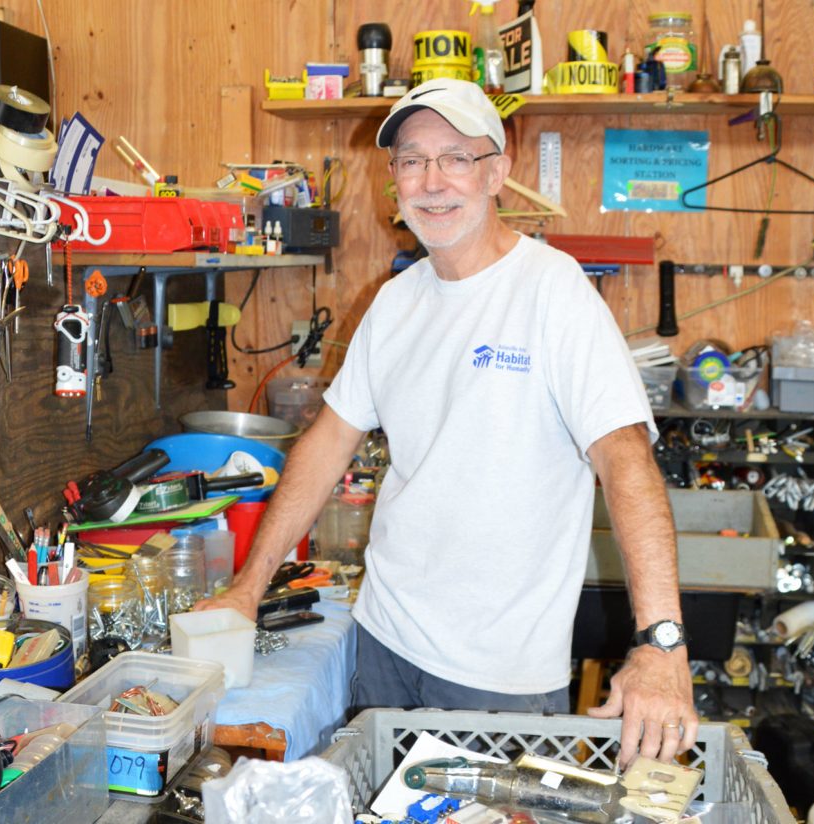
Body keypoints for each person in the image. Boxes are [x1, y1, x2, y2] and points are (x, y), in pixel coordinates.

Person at [199, 78, 697, 766]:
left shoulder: (554, 293)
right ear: (394, 181)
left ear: (498, 172)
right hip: (384, 642)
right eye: (411, 160)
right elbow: (327, 443)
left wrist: (661, 643)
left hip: (500, 678)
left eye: (456, 158)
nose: (432, 182)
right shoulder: (395, 301)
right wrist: (247, 590)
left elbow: (627, 461)